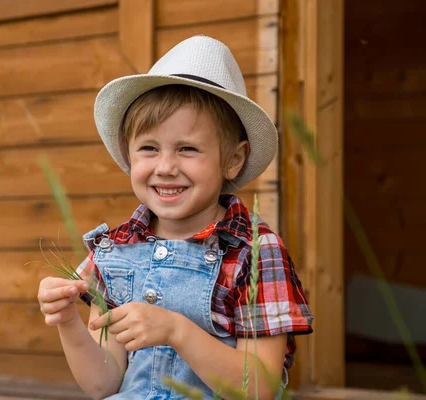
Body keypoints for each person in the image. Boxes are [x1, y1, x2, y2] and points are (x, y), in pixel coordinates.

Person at [37, 35, 313, 400]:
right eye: (149, 148)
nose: (165, 167)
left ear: (233, 159)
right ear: (129, 154)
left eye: (187, 149)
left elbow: (257, 388)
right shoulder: (114, 252)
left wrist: (176, 331)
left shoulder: (256, 252)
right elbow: (103, 383)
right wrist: (68, 321)